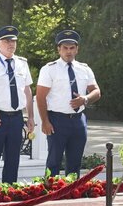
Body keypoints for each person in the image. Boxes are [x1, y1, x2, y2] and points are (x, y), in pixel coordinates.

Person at [36, 30, 100, 177]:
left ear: (77, 49)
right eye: (65, 48)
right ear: (59, 49)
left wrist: (85, 99)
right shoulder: (49, 69)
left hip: (78, 121)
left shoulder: (84, 69)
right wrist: (45, 121)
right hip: (57, 120)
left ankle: (71, 194)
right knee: (54, 162)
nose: (68, 51)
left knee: (75, 162)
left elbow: (96, 91)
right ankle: (50, 194)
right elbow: (40, 97)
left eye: (72, 48)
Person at [0, 26, 35, 184]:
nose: (11, 44)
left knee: (13, 158)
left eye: (14, 41)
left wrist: (30, 116)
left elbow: (28, 91)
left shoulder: (22, 63)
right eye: (7, 41)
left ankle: (9, 190)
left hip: (16, 117)